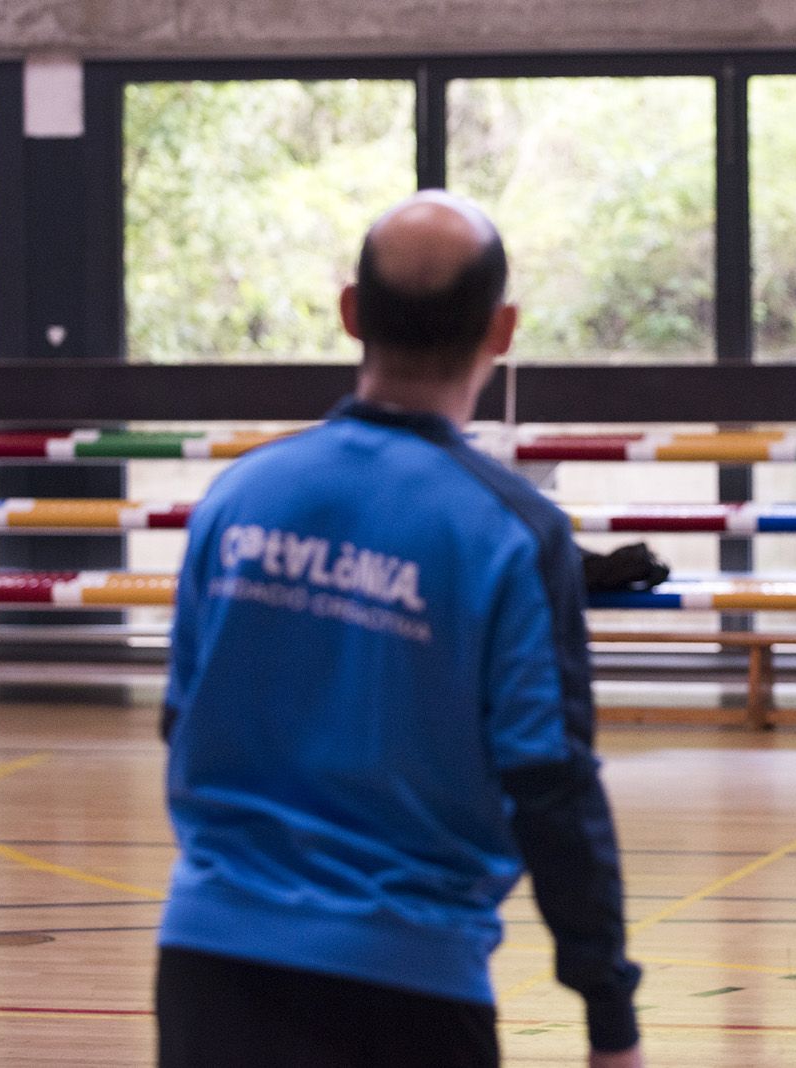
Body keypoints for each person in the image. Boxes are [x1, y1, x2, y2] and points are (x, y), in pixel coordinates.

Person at [155, 190, 644, 1068]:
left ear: (350, 313)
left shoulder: (235, 498)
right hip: (410, 981)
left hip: (206, 964)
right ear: (502, 330)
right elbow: (552, 783)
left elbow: (178, 719)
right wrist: (608, 1012)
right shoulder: (513, 533)